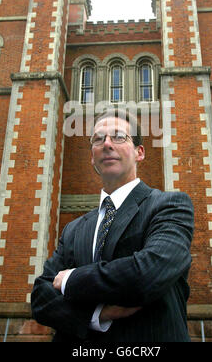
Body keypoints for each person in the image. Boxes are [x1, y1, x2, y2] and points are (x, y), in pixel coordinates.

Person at [31, 108, 194, 342]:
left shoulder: (169, 206)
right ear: (92, 157)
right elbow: (40, 298)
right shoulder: (74, 229)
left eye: (119, 137)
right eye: (98, 139)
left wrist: (70, 279)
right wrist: (97, 314)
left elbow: (148, 273)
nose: (107, 144)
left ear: (139, 152)